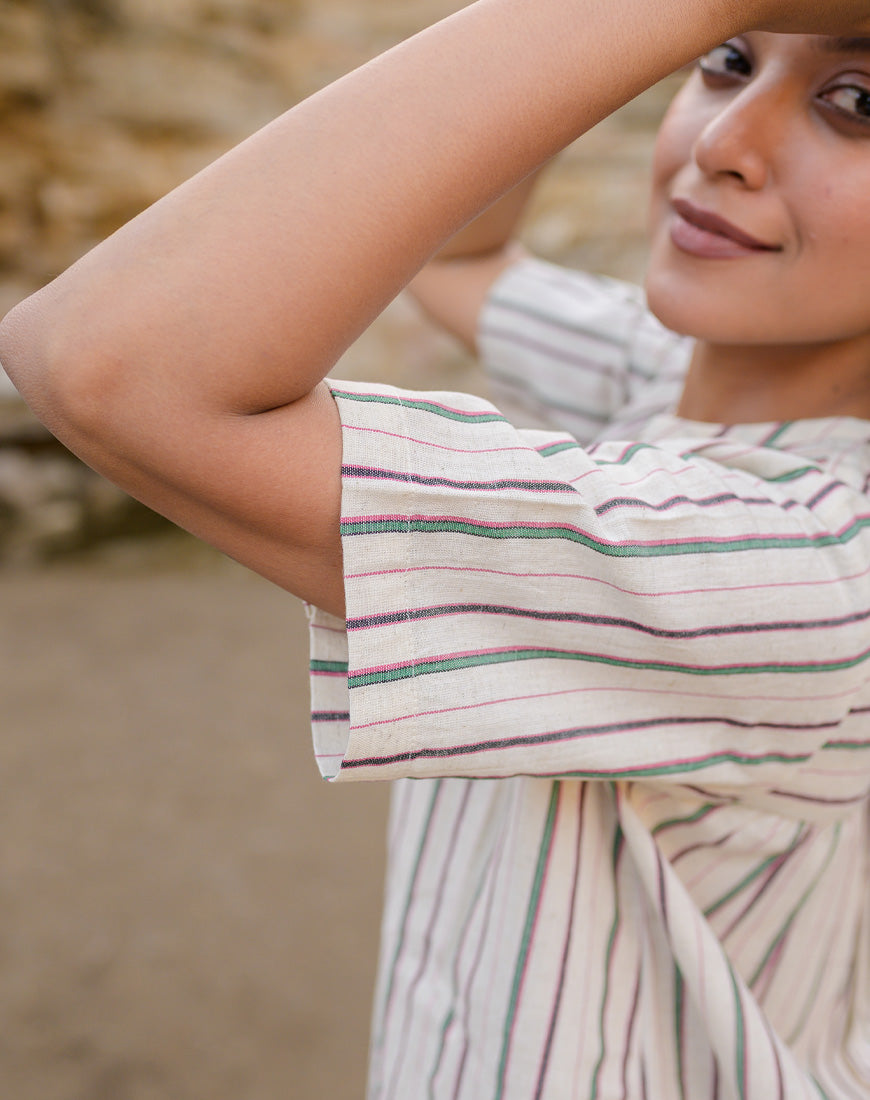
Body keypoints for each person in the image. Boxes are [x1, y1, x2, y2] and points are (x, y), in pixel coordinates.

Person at [2, 0, 870, 1095]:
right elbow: (464, 256)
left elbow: (104, 362)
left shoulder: (809, 568)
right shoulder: (665, 369)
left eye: (858, 102)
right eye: (725, 62)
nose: (722, 143)